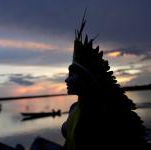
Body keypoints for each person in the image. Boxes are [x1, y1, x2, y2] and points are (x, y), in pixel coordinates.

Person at [61, 18, 148, 150]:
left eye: (72, 75)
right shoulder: (74, 108)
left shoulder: (107, 114)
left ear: (86, 80)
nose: (66, 80)